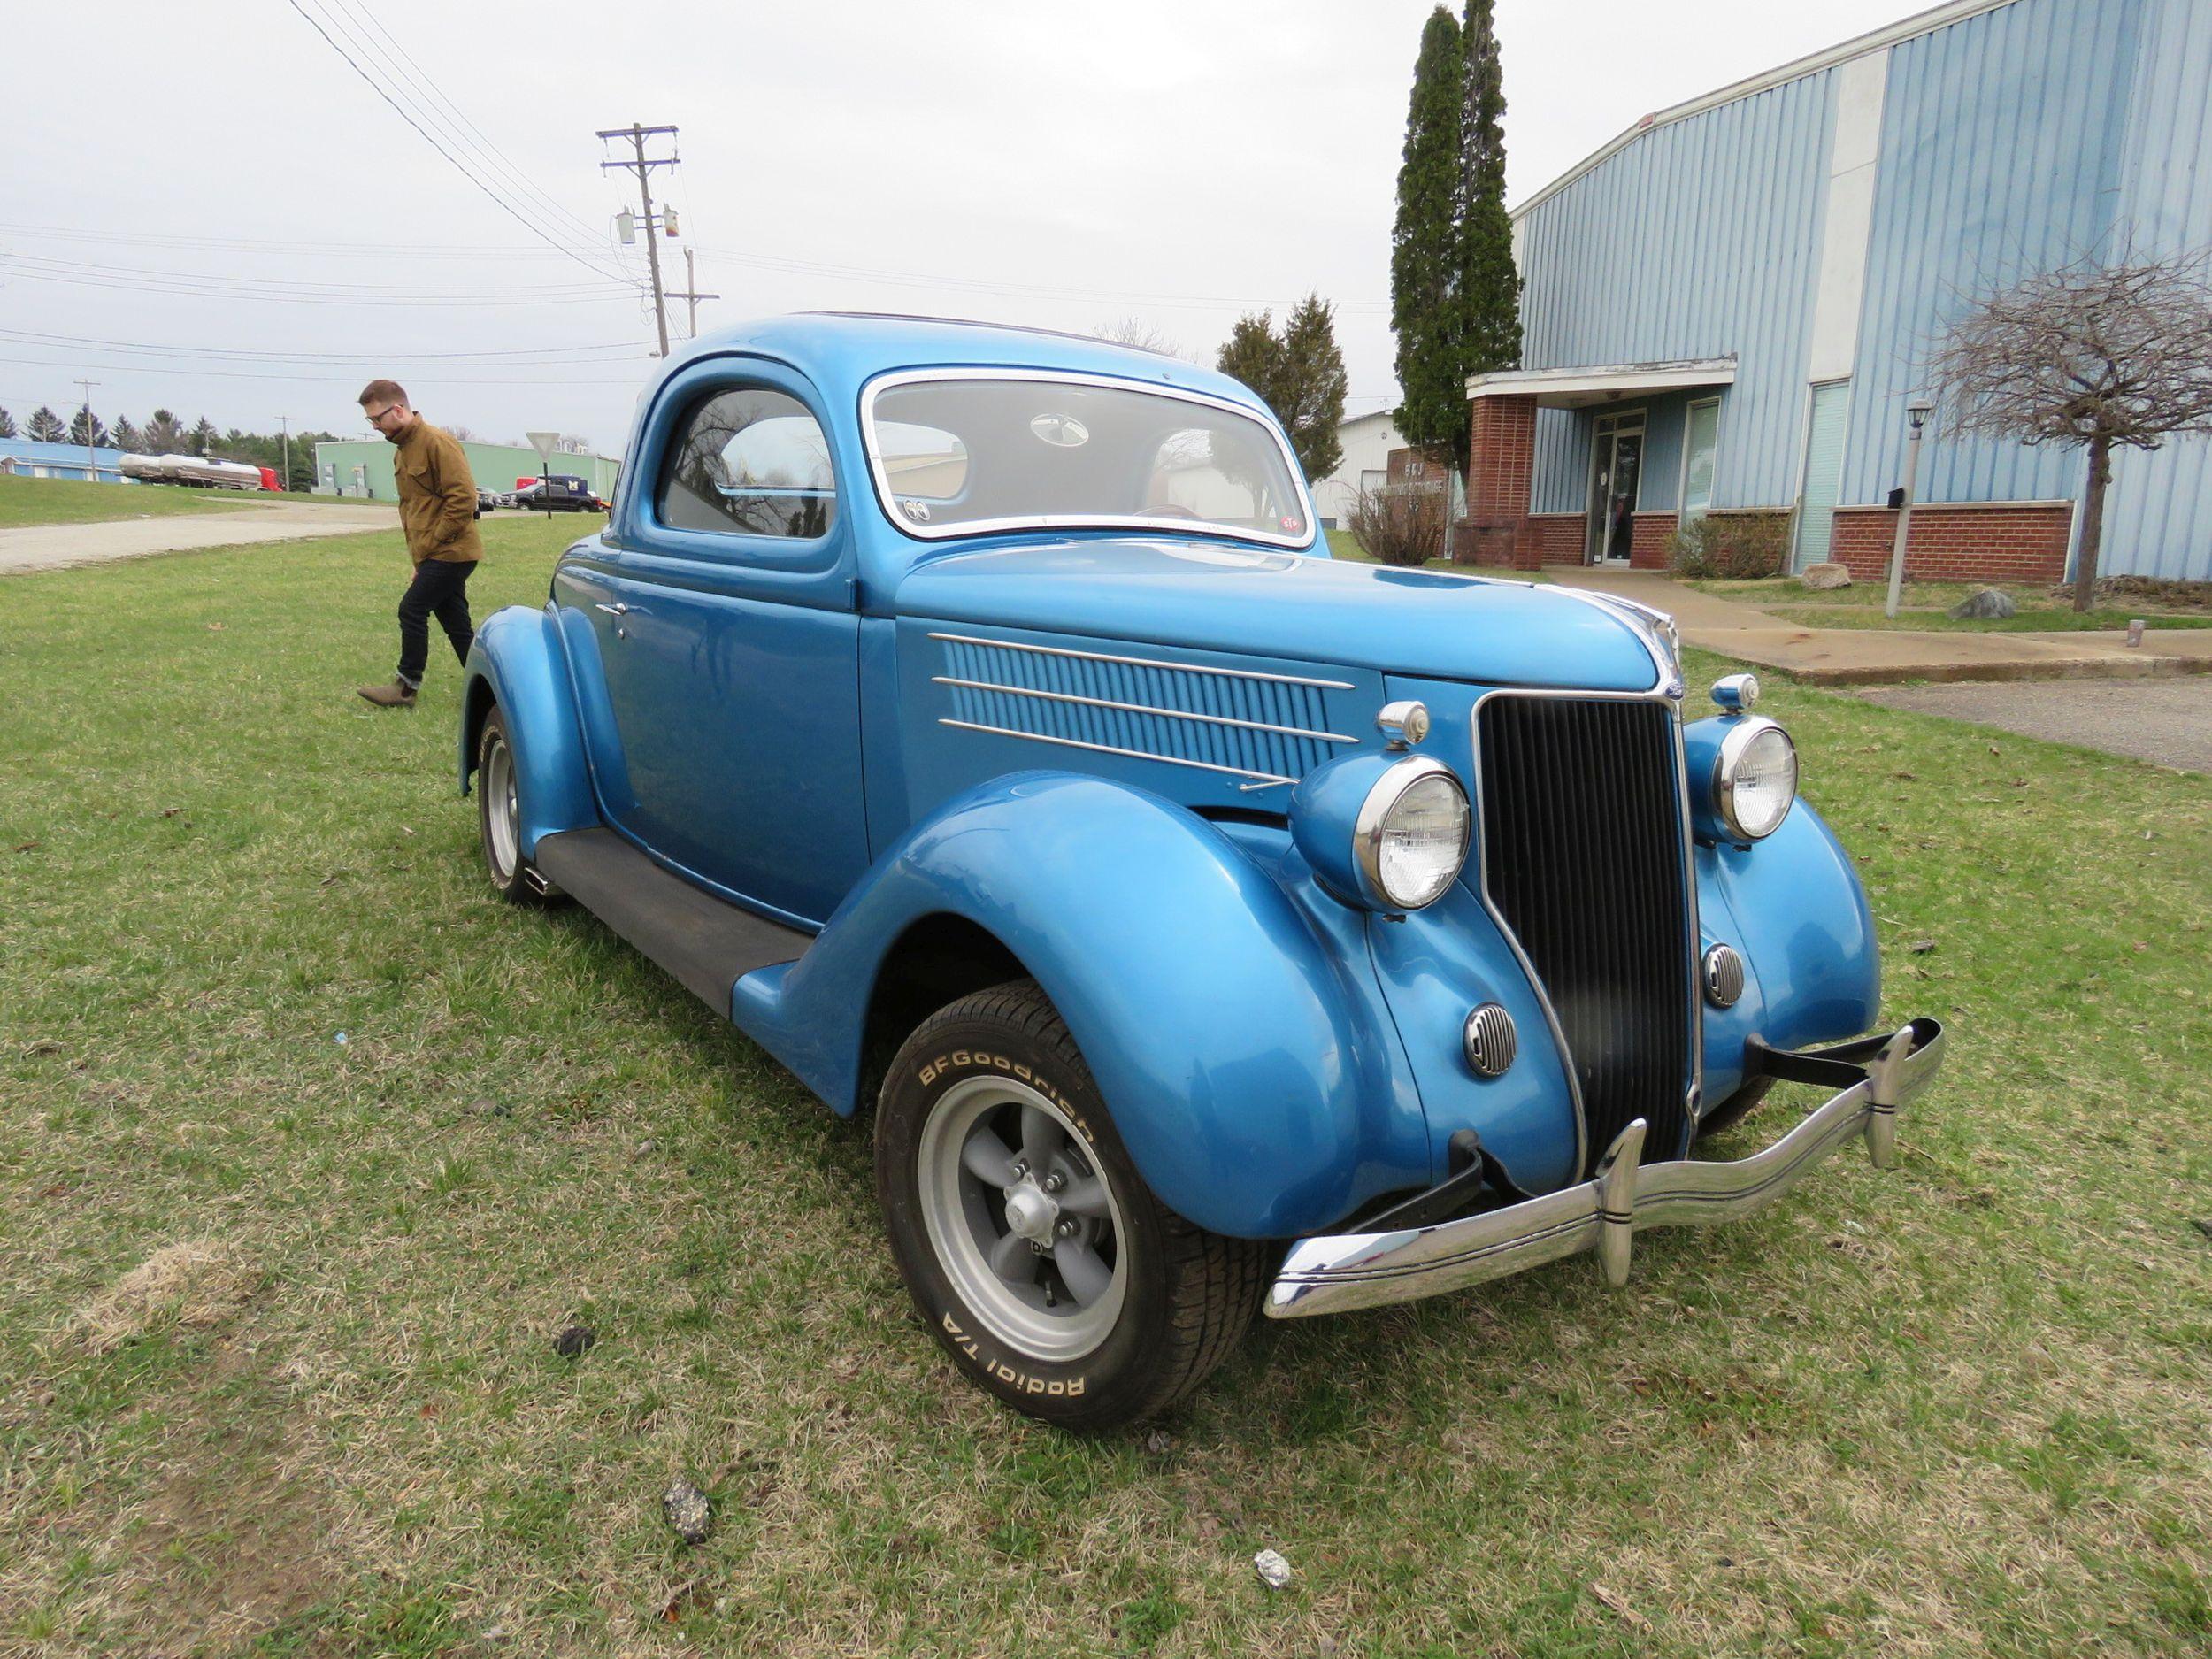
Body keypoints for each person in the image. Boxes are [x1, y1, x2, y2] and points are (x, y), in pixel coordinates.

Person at [354, 379, 484, 709]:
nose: (375, 426)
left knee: (411, 609)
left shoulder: (437, 442)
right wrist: (421, 560)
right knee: (457, 625)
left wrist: (432, 547)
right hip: (434, 554)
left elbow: (464, 498)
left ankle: (406, 687)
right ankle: (490, 688)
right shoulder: (403, 450)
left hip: (453, 551)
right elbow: (415, 508)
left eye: (377, 419)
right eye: (370, 421)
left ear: (397, 410)